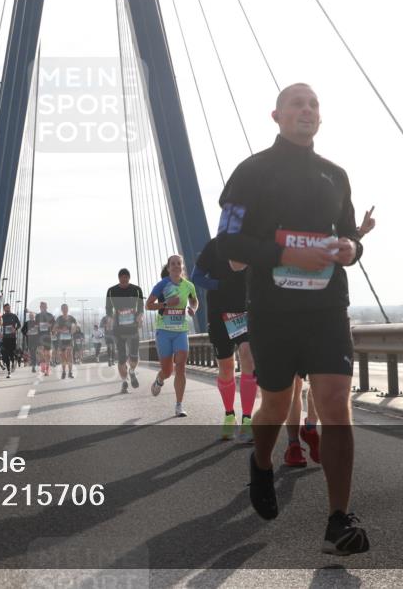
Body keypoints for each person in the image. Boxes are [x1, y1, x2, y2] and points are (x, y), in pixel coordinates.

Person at [216, 82, 369, 555]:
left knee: (335, 403)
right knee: (277, 404)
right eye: (296, 104)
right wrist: (285, 254)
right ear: (277, 116)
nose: (307, 110)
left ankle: (339, 520)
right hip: (273, 310)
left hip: (327, 308)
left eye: (313, 104)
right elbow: (228, 242)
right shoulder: (250, 172)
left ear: (320, 117)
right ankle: (262, 462)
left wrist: (352, 248)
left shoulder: (336, 175)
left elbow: (349, 235)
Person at [284, 205, 376, 466]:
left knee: (322, 381)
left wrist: (359, 234)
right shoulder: (280, 206)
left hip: (326, 307)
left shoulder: (328, 199)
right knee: (294, 386)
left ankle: (310, 427)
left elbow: (340, 244)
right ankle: (293, 444)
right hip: (288, 309)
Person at [191, 235, 256, 442]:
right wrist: (218, 284)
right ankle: (229, 415)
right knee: (226, 367)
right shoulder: (214, 246)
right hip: (219, 313)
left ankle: (247, 419)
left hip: (244, 312)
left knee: (247, 356)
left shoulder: (251, 242)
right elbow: (196, 277)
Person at [147, 256, 198, 417]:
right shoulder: (162, 285)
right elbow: (148, 305)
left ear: (182, 267)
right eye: (173, 264)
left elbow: (194, 301)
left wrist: (193, 309)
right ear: (168, 268)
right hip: (164, 331)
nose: (176, 266)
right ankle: (159, 380)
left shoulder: (189, 286)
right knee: (168, 371)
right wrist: (166, 304)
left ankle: (179, 405)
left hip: (181, 331)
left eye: (179, 263)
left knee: (181, 367)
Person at [105, 268, 144, 393]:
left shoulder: (136, 289)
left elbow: (141, 307)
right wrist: (109, 319)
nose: (124, 281)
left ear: (129, 278)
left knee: (134, 357)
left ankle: (131, 371)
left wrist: (140, 316)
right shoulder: (111, 291)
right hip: (118, 330)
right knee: (121, 357)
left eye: (126, 279)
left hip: (133, 328)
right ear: (119, 278)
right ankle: (124, 382)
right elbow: (108, 308)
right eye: (122, 279)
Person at [53, 303, 79, 379]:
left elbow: (76, 326)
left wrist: (73, 329)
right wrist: (61, 330)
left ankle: (70, 372)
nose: (65, 310)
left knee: (70, 355)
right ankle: (64, 372)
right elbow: (54, 329)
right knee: (63, 356)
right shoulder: (59, 319)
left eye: (66, 308)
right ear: (61, 310)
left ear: (68, 309)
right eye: (63, 308)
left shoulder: (71, 318)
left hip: (69, 339)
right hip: (61, 340)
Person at [35, 302, 56, 376]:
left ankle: (47, 369)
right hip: (40, 336)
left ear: (47, 307)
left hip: (47, 336)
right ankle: (43, 366)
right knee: (41, 352)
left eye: (44, 306)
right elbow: (36, 325)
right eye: (42, 307)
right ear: (40, 307)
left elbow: (54, 325)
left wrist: (51, 328)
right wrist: (38, 326)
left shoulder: (50, 315)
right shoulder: (37, 316)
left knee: (47, 353)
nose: (43, 308)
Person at [0, 303, 21, 378]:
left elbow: (19, 325)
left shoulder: (14, 316)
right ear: (4, 309)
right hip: (5, 338)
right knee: (5, 354)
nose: (8, 309)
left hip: (12, 337)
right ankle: (8, 371)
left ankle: (14, 360)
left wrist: (15, 329)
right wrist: (0, 333)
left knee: (11, 353)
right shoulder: (2, 317)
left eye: (8, 307)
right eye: (6, 308)